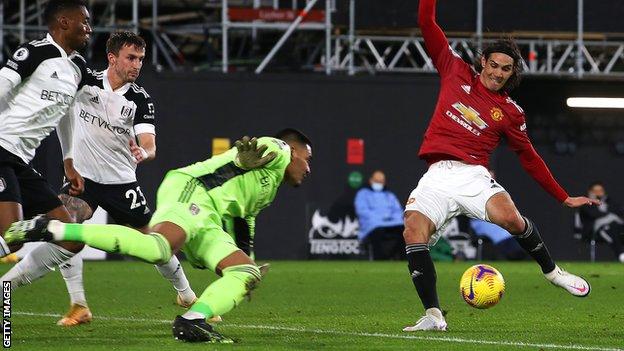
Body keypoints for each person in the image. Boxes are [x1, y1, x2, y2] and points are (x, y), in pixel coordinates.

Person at [6, 129, 312, 343]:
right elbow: (263, 148)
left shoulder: (269, 189)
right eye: (307, 159)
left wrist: (248, 259)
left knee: (245, 272)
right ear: (294, 151)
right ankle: (52, 228)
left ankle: (192, 322)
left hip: (208, 218)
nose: (308, 168)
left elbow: (245, 220)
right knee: (158, 248)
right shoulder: (280, 151)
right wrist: (239, 160)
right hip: (192, 189)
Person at [401, 0, 599, 332]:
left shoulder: (510, 112)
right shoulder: (454, 69)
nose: (497, 73)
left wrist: (563, 197)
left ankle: (553, 273)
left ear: (512, 74)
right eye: (494, 65)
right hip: (437, 175)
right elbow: (426, 22)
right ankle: (433, 315)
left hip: (474, 176)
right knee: (412, 232)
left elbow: (530, 158)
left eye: (506, 69)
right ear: (483, 62)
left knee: (511, 218)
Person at [1, 31, 199, 327]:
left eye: (141, 59)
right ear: (112, 58)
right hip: (84, 181)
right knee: (66, 230)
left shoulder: (139, 99)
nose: (137, 65)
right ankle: (77, 305)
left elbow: (149, 144)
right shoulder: (85, 81)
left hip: (122, 183)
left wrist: (142, 154)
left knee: (158, 245)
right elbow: (62, 107)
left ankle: (186, 295)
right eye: (131, 58)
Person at [0, 1, 91, 260]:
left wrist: (69, 161)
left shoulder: (78, 68)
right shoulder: (35, 52)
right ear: (64, 22)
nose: (89, 28)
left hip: (20, 161)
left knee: (71, 239)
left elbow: (67, 113)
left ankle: (8, 284)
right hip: (1, 150)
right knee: (12, 236)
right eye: (84, 21)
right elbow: (2, 86)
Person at [354, 170, 404, 260]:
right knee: (378, 230)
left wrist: (390, 219)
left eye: (381, 182)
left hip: (392, 224)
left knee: (403, 230)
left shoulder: (389, 196)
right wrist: (381, 219)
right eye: (376, 181)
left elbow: (398, 211)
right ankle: (378, 259)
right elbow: (362, 211)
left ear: (384, 182)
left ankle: (404, 261)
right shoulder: (363, 194)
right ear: (371, 180)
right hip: (373, 226)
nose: (378, 183)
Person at [574, 182, 624, 262]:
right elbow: (593, 214)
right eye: (595, 191)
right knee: (607, 229)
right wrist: (597, 205)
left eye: (600, 190)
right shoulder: (586, 203)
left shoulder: (609, 202)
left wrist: (608, 212)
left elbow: (619, 212)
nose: (598, 193)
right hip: (593, 232)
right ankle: (621, 254)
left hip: (614, 229)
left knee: (614, 228)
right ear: (590, 192)